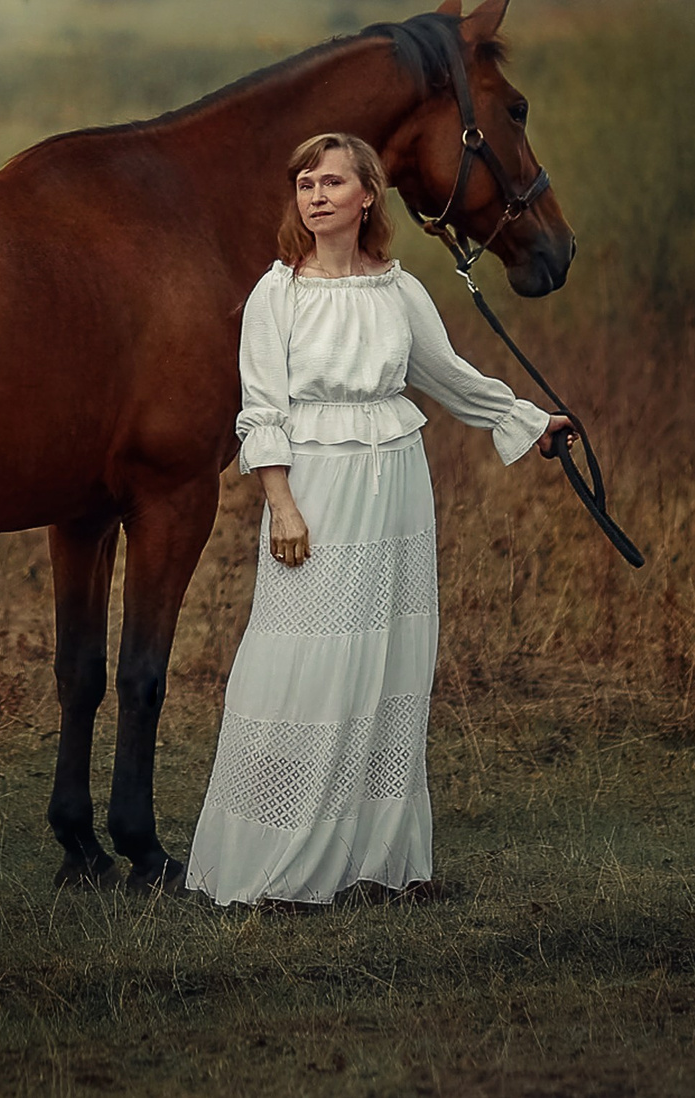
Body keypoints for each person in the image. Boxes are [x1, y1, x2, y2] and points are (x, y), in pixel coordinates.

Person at [187, 131, 575, 909]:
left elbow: (447, 377)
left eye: (332, 181)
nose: (316, 194)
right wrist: (282, 506)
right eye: (305, 183)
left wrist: (532, 422)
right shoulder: (277, 294)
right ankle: (276, 869)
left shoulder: (399, 291)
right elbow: (262, 411)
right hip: (315, 489)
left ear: (368, 196)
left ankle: (381, 865)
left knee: (389, 662)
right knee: (300, 662)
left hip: (394, 486)